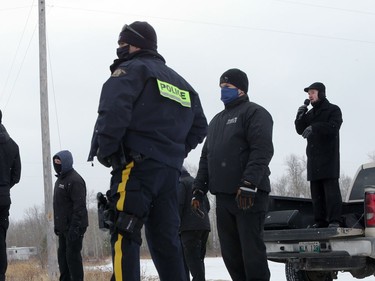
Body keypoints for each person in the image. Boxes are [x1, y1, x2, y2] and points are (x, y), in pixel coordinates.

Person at [87, 21, 207, 281]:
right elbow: (200, 127)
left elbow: (112, 113)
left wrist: (107, 152)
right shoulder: (183, 84)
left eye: (123, 44)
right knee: (167, 242)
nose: (119, 49)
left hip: (135, 167)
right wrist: (173, 152)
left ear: (137, 44)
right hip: (169, 174)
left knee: (125, 231)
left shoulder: (130, 71)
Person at [192, 69, 273, 281]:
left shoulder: (255, 113)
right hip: (223, 197)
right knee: (231, 256)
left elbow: (262, 149)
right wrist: (198, 188)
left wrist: (249, 182)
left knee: (252, 255)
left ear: (241, 89)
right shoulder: (216, 121)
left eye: (227, 87)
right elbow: (206, 157)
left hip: (248, 195)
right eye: (220, 88)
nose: (222, 92)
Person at [295, 82, 343, 228]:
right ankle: (320, 221)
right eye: (308, 93)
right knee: (316, 193)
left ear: (321, 93)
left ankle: (335, 220)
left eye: (313, 92)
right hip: (313, 158)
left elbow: (334, 127)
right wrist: (300, 116)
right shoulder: (310, 114)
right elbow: (300, 130)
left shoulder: (333, 110)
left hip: (328, 157)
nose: (310, 96)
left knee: (330, 191)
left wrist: (314, 127)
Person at [53, 150, 88, 281]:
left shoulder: (75, 180)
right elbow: (59, 205)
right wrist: (58, 225)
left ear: (66, 162)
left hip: (74, 227)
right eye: (55, 162)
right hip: (63, 228)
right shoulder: (60, 180)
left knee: (72, 259)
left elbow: (79, 206)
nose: (57, 165)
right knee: (62, 259)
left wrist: (75, 227)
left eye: (59, 162)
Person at [178, 166, 210, 281]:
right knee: (199, 260)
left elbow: (179, 205)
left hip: (189, 228)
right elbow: (207, 206)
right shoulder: (197, 185)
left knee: (192, 261)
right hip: (204, 226)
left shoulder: (181, 183)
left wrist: (175, 224)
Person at [0, 109, 21, 281]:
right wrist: (5, 186)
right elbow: (17, 176)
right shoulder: (13, 145)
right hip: (3, 199)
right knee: (0, 241)